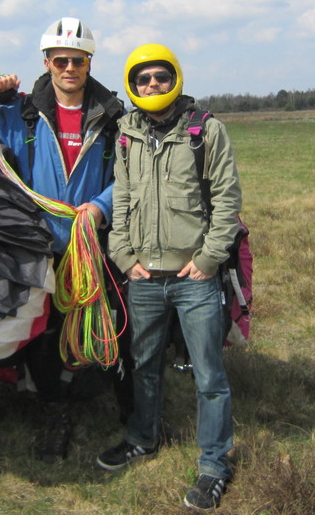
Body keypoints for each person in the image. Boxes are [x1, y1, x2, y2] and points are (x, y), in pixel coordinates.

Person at [0, 16, 124, 462]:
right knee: (39, 327)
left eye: (78, 60)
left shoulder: (110, 119)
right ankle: (50, 403)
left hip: (87, 242)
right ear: (46, 62)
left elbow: (128, 174)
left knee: (77, 322)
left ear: (89, 63)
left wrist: (100, 206)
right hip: (33, 242)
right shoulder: (18, 112)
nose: (70, 68)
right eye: (61, 60)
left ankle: (72, 389)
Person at [96, 44, 242, 511]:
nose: (153, 85)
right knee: (143, 365)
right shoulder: (125, 135)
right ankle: (144, 438)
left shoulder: (206, 131)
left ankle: (214, 465)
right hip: (143, 278)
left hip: (194, 277)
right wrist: (121, 254)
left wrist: (208, 260)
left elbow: (226, 201)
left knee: (208, 374)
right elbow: (120, 202)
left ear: (175, 77)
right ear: (132, 87)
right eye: (143, 80)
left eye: (161, 76)